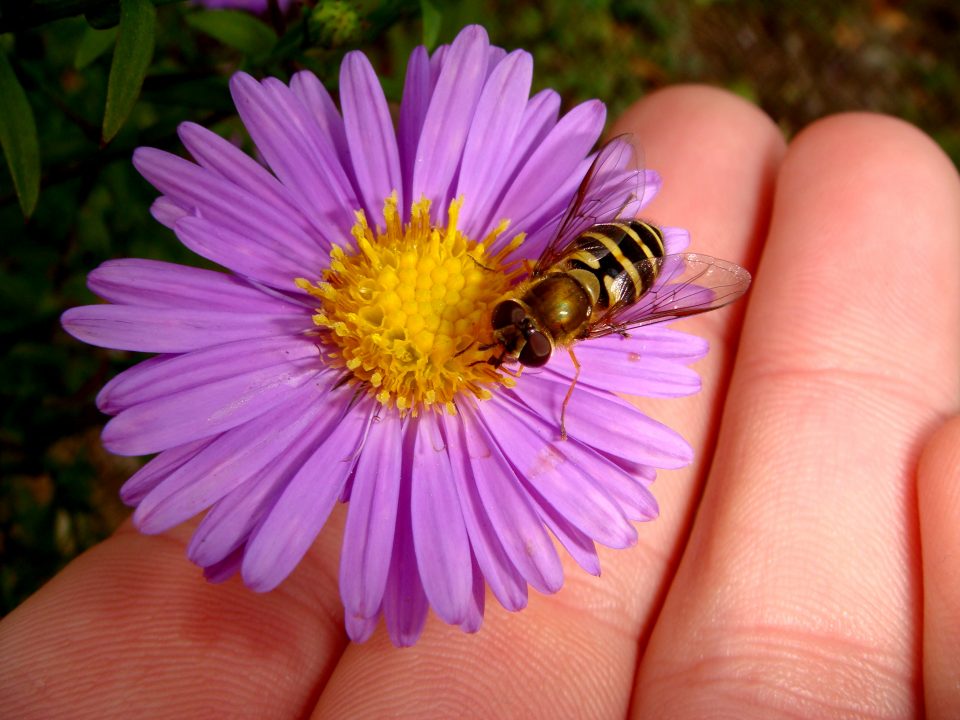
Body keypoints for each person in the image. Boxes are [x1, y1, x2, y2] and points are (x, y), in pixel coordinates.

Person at [1, 85, 958, 719]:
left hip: (611, 280)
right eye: (508, 328)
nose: (494, 342)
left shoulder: (583, 329)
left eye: (515, 342)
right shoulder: (527, 289)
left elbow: (641, 314)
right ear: (522, 288)